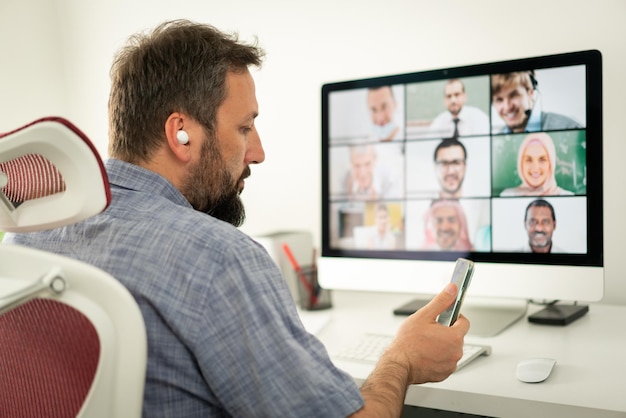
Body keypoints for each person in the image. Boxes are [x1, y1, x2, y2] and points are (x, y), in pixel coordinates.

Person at [3, 20, 469, 417]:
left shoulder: (29, 237)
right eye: (244, 127)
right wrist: (403, 358)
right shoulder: (218, 260)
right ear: (180, 133)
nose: (259, 151)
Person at [491, 71, 582, 134]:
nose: (507, 107)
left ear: (530, 94)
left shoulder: (570, 128)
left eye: (514, 95)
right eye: (499, 99)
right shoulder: (496, 142)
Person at [500, 132, 574, 197]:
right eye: (529, 160)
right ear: (521, 164)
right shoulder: (507, 195)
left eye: (542, 160)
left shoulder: (568, 196)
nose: (535, 168)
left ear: (551, 164)